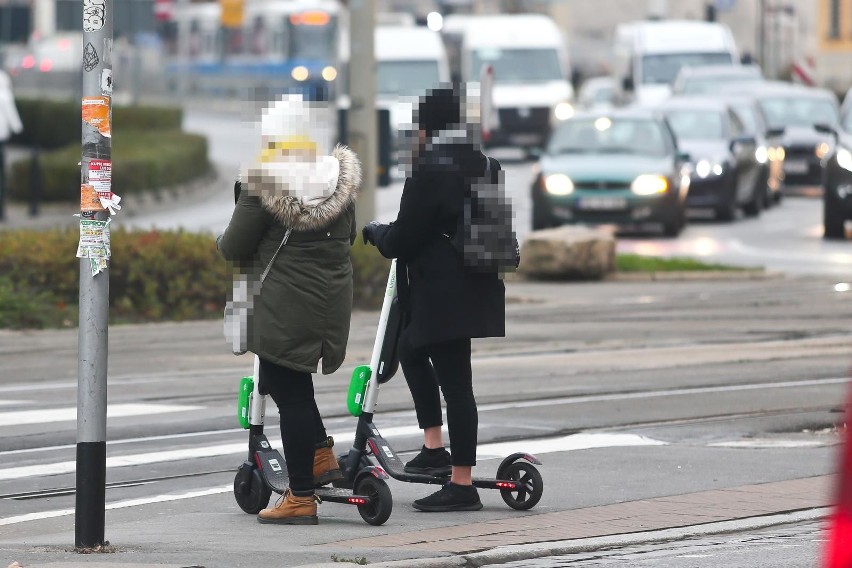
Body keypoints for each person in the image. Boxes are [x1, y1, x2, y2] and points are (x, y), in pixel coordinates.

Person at [217, 96, 361, 525]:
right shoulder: (337, 181)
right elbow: (347, 237)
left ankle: (300, 497)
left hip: (281, 305)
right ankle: (319, 457)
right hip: (329, 302)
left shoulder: (264, 183)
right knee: (297, 385)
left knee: (288, 389)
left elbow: (233, 246)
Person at [362, 87, 506, 512]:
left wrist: (375, 232)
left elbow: (405, 236)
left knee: (458, 386)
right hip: (474, 284)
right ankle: (434, 448)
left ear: (426, 127)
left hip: (444, 293)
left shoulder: (430, 170)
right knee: (408, 347)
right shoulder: (485, 165)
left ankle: (462, 485)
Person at [0, 69, 23, 221]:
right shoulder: (4, 93)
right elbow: (11, 112)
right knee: (2, 175)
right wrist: (18, 128)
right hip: (1, 137)